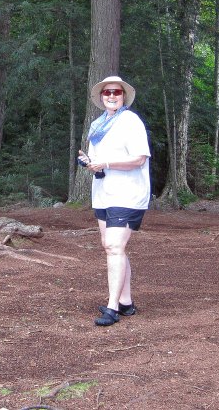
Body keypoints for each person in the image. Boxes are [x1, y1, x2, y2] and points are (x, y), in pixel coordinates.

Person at [78, 76, 151, 327]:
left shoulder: (130, 121)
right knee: (112, 247)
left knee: (114, 247)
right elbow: (98, 162)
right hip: (104, 193)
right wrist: (90, 163)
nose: (111, 96)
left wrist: (106, 163)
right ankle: (126, 302)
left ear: (123, 97)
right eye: (107, 92)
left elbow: (140, 159)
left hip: (128, 194)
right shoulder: (98, 125)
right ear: (101, 97)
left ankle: (112, 308)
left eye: (116, 92)